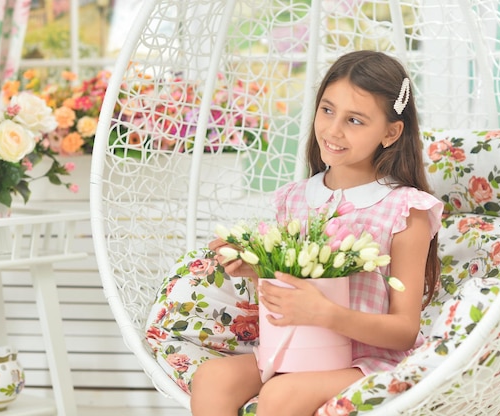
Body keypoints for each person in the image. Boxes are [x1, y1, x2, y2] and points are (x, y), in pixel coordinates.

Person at [190, 50, 443, 416]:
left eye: (354, 120)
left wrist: (325, 314)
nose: (333, 130)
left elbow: (404, 330)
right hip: (299, 348)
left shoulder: (405, 209)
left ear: (391, 132)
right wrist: (257, 264)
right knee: (212, 377)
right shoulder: (294, 197)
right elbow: (298, 280)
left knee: (281, 394)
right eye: (327, 110)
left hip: (369, 361)